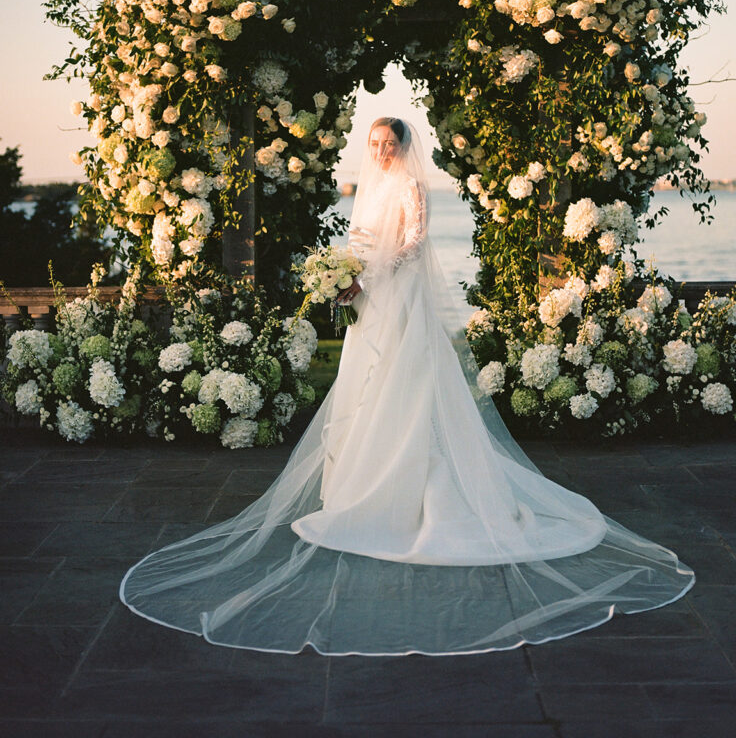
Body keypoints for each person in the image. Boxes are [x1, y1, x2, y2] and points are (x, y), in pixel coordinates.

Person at [120, 116, 695, 655]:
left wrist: (371, 273)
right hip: (369, 299)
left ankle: (414, 489)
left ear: (402, 145)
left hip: (399, 296)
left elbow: (415, 241)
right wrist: (346, 280)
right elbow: (359, 244)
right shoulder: (366, 190)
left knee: (408, 380)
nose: (380, 151)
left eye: (387, 143)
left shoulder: (410, 188)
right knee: (366, 385)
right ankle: (360, 484)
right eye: (373, 144)